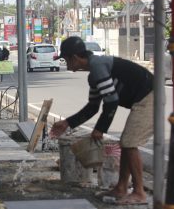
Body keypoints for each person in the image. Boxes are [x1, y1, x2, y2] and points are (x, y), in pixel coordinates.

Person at [50, 36, 153, 205]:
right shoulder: (94, 74)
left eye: (66, 60)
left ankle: (139, 192)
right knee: (127, 142)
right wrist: (67, 122)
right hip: (141, 99)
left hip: (149, 97)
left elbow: (111, 101)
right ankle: (121, 188)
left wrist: (100, 129)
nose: (66, 64)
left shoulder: (98, 66)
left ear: (75, 58)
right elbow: (93, 107)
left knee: (129, 142)